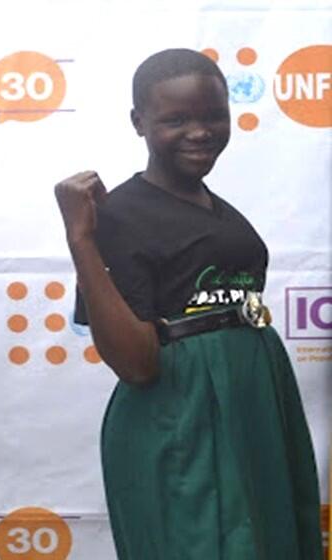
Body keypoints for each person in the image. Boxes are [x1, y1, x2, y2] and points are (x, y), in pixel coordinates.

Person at [54, 48, 321, 559]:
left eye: (213, 116)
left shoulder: (218, 207)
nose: (199, 131)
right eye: (175, 119)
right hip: (182, 416)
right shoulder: (119, 215)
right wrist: (81, 239)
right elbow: (134, 363)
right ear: (139, 122)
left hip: (254, 404)